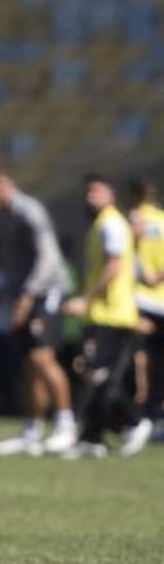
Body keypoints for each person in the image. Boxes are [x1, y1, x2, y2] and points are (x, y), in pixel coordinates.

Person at [0, 163, 77, 457]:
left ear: (11, 183)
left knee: (42, 357)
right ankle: (32, 431)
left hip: (45, 291)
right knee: (31, 365)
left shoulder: (29, 211)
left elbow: (48, 256)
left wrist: (28, 295)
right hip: (21, 294)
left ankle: (65, 425)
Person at [60, 175, 152, 459]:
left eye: (97, 191)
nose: (91, 197)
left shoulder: (111, 224)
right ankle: (93, 438)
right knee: (95, 375)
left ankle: (134, 421)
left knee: (99, 376)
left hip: (112, 315)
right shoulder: (105, 225)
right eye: (88, 192)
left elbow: (113, 267)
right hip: (105, 314)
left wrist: (85, 299)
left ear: (111, 194)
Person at [126, 177, 164, 436]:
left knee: (140, 358)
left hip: (139, 297)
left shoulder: (133, 219)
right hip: (157, 297)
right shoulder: (160, 219)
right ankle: (149, 415)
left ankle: (143, 414)